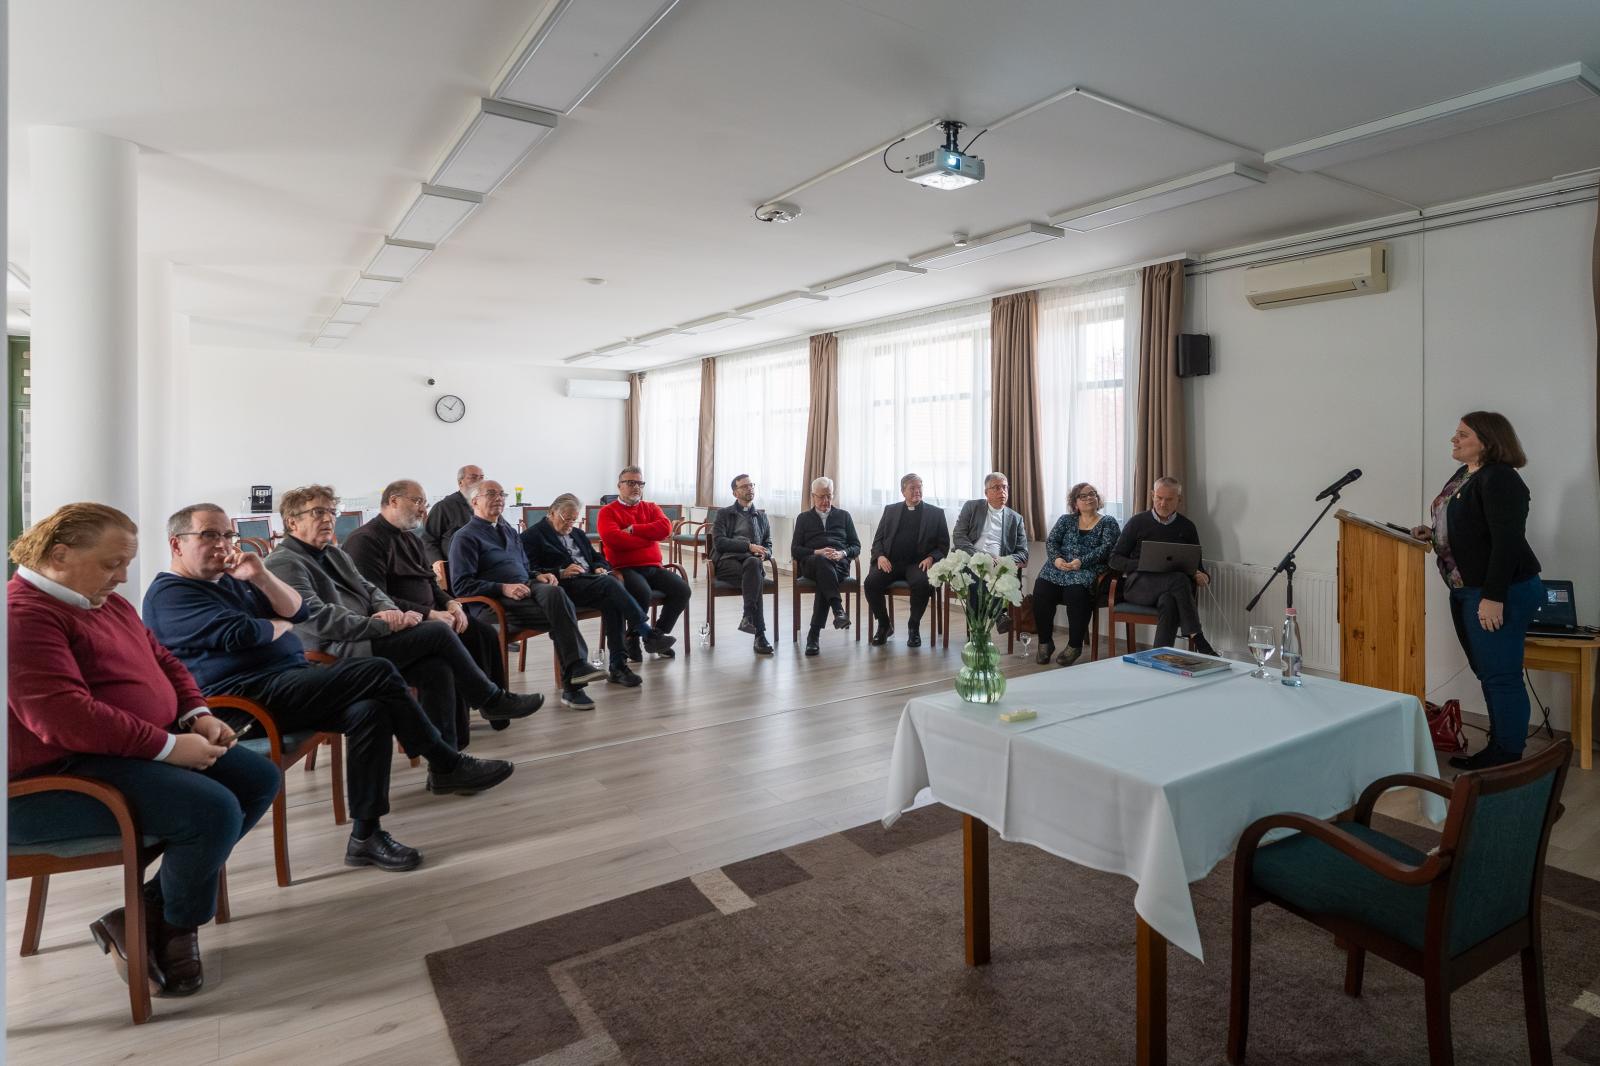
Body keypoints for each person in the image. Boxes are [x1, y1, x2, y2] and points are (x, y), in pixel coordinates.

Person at [145, 503, 514, 874]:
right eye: (209, 535)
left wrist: (260, 576)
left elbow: (298, 612)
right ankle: (446, 761)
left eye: (227, 534)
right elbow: (242, 634)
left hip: (288, 680)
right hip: (243, 703)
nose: (223, 544)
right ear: (177, 544)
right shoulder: (169, 594)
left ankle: (366, 835)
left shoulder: (234, 579)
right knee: (378, 670)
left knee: (370, 710)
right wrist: (277, 625)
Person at [8, 503, 281, 998]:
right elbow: (64, 718)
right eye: (112, 564)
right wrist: (168, 747)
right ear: (60, 555)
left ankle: (145, 910)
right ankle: (177, 928)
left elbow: (164, 660)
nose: (122, 576)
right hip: (54, 777)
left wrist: (197, 714)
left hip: (118, 751)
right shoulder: (22, 617)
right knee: (211, 810)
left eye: (126, 563)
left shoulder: (101, 601)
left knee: (258, 778)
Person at [264, 484, 542, 746]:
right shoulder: (285, 562)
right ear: (292, 522)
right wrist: (386, 624)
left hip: (368, 633)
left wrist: (393, 611)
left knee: (438, 667)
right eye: (318, 512)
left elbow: (371, 590)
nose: (328, 518)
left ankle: (449, 756)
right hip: (334, 650)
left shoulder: (334, 553)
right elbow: (320, 619)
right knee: (438, 632)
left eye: (331, 511)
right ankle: (490, 700)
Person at [1409, 412, 1543, 770]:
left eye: (1463, 434)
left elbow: (1507, 542)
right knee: (1488, 672)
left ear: (1487, 440)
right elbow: (1469, 526)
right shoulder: (1465, 474)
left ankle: (1506, 756)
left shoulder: (1500, 477)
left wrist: (1493, 597)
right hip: (1467, 588)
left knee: (1501, 675)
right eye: (1455, 433)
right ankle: (1500, 745)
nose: (1454, 439)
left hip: (1499, 590)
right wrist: (1433, 534)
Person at [342, 479, 513, 729]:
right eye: (417, 501)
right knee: (445, 649)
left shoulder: (411, 539)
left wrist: (451, 603)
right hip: (400, 624)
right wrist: (430, 614)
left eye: (424, 503)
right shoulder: (365, 540)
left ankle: (497, 711)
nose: (424, 509)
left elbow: (430, 583)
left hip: (433, 615)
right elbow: (376, 598)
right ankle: (472, 716)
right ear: (393, 501)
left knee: (484, 633)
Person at [448, 480, 609, 709]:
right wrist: (502, 588)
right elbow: (461, 586)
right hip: (494, 603)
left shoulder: (508, 531)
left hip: (526, 589)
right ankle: (574, 681)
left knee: (556, 593)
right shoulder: (465, 537)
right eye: (491, 494)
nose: (499, 498)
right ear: (474, 501)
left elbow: (524, 568)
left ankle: (576, 670)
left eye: (502, 494)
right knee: (563, 615)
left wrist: (538, 575)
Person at [523, 494, 676, 687]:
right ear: (552, 513)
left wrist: (598, 567)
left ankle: (618, 666)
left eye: (574, 519)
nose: (570, 524)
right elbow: (528, 569)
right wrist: (560, 572)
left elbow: (598, 557)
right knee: (611, 585)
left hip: (591, 582)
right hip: (563, 587)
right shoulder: (532, 536)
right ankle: (646, 632)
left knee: (613, 600)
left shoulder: (577, 533)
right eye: (567, 519)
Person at [1108, 477, 1217, 656]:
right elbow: (1114, 559)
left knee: (1170, 601)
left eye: (1169, 499)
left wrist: (1204, 576)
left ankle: (1158, 657)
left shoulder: (1187, 527)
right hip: (1139, 586)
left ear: (1179, 500)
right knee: (1179, 579)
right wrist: (1144, 563)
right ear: (1152, 495)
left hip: (1171, 589)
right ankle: (1198, 637)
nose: (1162, 503)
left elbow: (1197, 566)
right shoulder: (1137, 522)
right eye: (1159, 498)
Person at [596, 466, 691, 661]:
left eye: (640, 483)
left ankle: (655, 636)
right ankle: (633, 639)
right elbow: (614, 540)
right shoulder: (607, 511)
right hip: (624, 568)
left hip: (653, 566)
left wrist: (633, 530)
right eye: (631, 483)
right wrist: (649, 539)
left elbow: (665, 529)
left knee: (682, 590)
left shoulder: (651, 507)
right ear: (619, 486)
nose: (636, 487)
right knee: (643, 592)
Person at [1032, 483, 1120, 666]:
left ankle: (1074, 645)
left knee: (1075, 592)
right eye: (1083, 496)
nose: (1089, 498)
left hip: (1088, 570)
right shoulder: (1066, 520)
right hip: (1059, 567)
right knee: (1041, 588)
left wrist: (1082, 561)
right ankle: (1045, 642)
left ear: (1098, 498)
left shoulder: (1108, 522)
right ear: (1075, 503)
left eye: (1092, 494)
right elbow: (1052, 542)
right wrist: (1056, 559)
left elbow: (1107, 548)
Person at [864, 473, 949, 647]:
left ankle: (913, 627)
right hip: (891, 562)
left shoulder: (936, 513)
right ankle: (884, 625)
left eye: (919, 487)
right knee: (871, 583)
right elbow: (878, 540)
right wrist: (880, 556)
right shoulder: (890, 510)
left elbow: (943, 545)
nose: (917, 491)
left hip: (918, 563)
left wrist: (931, 558)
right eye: (912, 488)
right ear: (903, 492)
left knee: (922, 583)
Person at [952, 472, 1030, 634]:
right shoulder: (972, 507)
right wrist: (979, 556)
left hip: (997, 564)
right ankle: (998, 615)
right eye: (996, 487)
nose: (1002, 491)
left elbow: (1023, 553)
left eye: (1005, 487)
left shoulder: (1016, 519)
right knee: (978, 573)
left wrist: (1003, 560)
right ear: (986, 492)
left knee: (992, 574)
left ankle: (977, 632)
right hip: (969, 558)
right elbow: (959, 536)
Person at [790, 477, 860, 656]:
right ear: (813, 496)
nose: (825, 501)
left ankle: (813, 636)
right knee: (822, 563)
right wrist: (817, 552)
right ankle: (838, 610)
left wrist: (842, 553)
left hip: (839, 565)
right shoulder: (803, 518)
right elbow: (795, 549)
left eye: (829, 496)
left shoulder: (844, 516)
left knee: (825, 578)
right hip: (812, 564)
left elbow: (856, 546)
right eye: (821, 497)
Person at [711, 474, 774, 655]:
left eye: (751, 485)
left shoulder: (761, 516)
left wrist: (766, 553)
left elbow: (768, 543)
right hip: (728, 562)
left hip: (751, 563)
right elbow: (719, 542)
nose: (750, 489)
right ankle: (759, 635)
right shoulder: (724, 514)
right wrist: (748, 546)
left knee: (754, 567)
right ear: (735, 492)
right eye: (744, 486)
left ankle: (748, 617)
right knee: (755, 578)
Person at [423, 463, 483, 589]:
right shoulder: (443, 507)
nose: (479, 482)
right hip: (459, 571)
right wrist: (436, 561)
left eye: (481, 478)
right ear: (460, 483)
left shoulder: (486, 506)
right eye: (473, 478)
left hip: (487, 565)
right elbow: (428, 540)